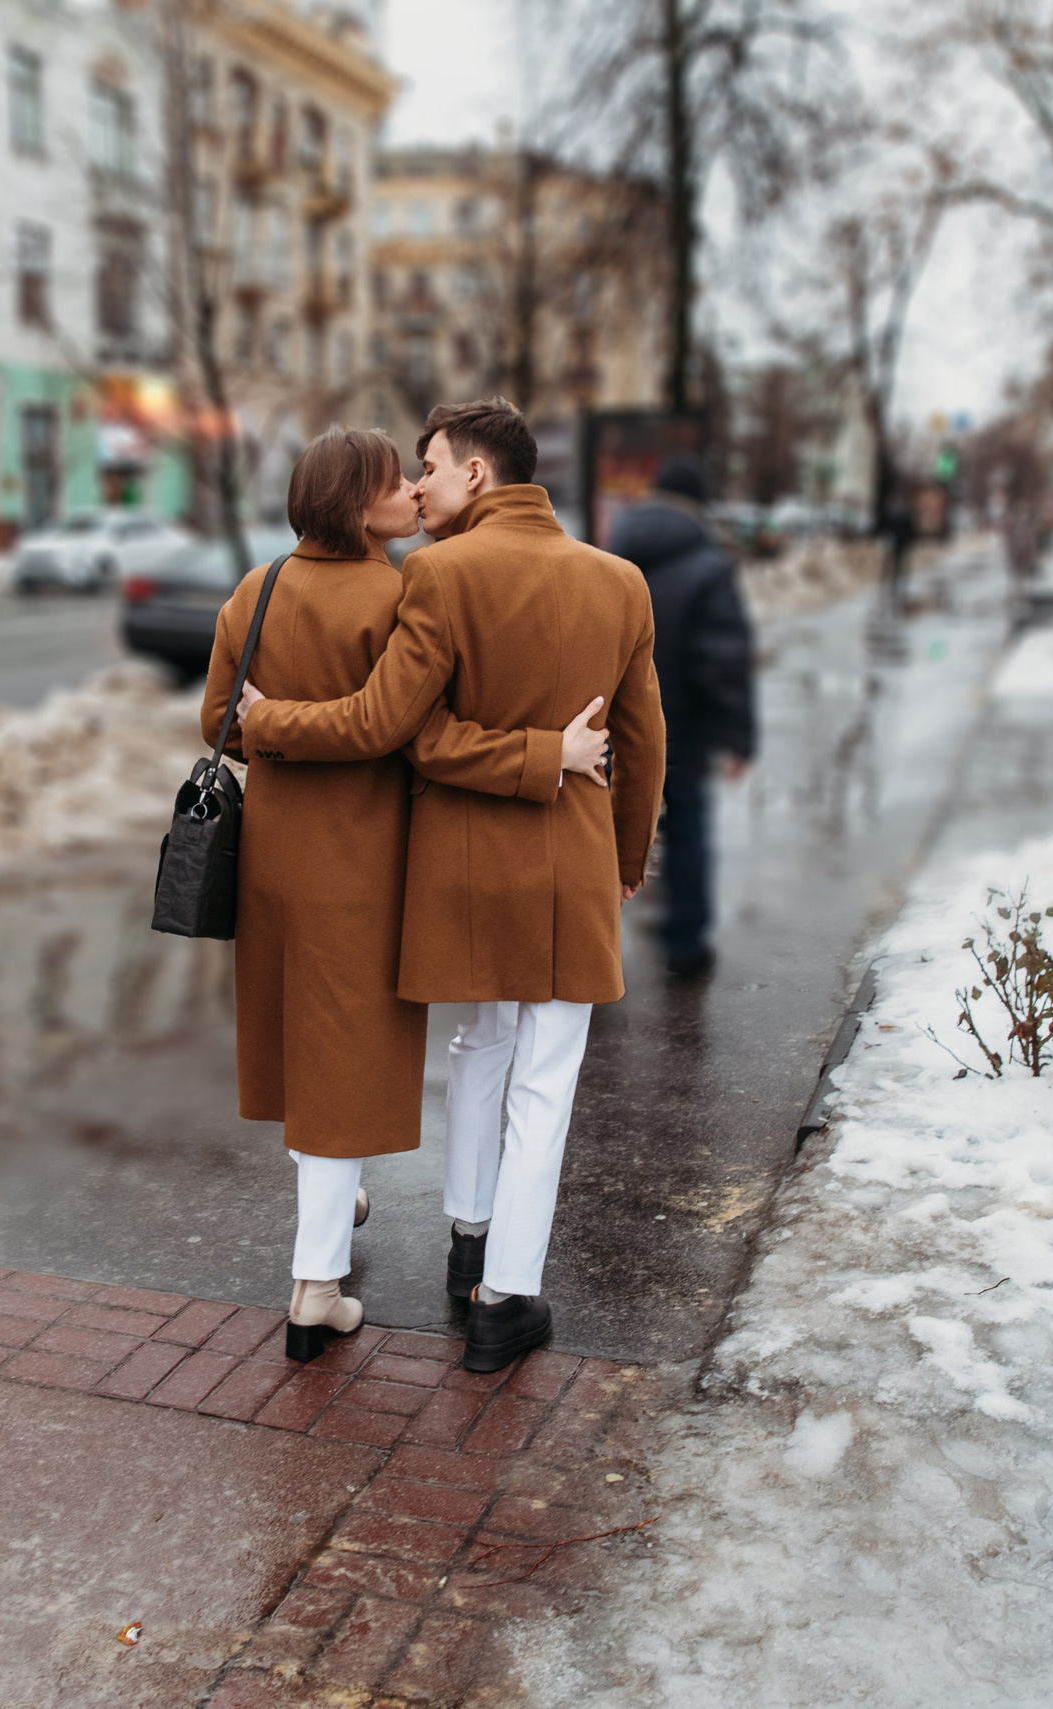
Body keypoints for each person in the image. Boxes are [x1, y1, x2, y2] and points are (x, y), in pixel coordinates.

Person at [238, 398, 666, 1373]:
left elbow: (412, 733)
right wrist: (622, 851)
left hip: (460, 866)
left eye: (427, 465)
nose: (418, 483)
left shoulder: (434, 574)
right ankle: (503, 1297)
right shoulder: (621, 582)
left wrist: (267, 726)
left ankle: (467, 1231)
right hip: (567, 865)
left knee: (482, 1039)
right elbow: (643, 738)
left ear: (476, 472)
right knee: (544, 1079)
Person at [607, 453, 755, 978]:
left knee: (607, 832)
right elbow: (723, 657)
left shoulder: (613, 554)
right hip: (683, 730)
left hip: (618, 727)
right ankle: (685, 944)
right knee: (687, 831)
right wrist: (738, 736)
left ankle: (590, 947)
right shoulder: (708, 565)